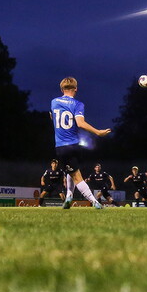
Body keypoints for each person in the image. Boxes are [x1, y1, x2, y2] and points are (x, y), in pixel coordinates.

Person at [50, 77, 111, 210]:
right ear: (76, 89)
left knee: (76, 175)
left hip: (62, 146)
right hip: (75, 145)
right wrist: (98, 132)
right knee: (72, 171)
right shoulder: (78, 104)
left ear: (61, 89)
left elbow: (54, 117)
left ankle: (95, 203)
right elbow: (80, 123)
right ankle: (71, 198)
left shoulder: (54, 102)